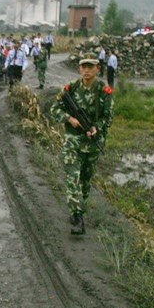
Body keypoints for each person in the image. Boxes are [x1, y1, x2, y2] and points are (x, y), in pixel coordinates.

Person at [49, 54, 114, 235]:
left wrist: (96, 128)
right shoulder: (71, 89)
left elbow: (108, 117)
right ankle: (77, 217)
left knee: (85, 181)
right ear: (79, 69)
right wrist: (69, 118)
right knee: (73, 178)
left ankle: (79, 208)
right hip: (73, 141)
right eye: (83, 67)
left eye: (90, 67)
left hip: (92, 143)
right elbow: (55, 109)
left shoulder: (103, 91)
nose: (86, 70)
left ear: (97, 69)